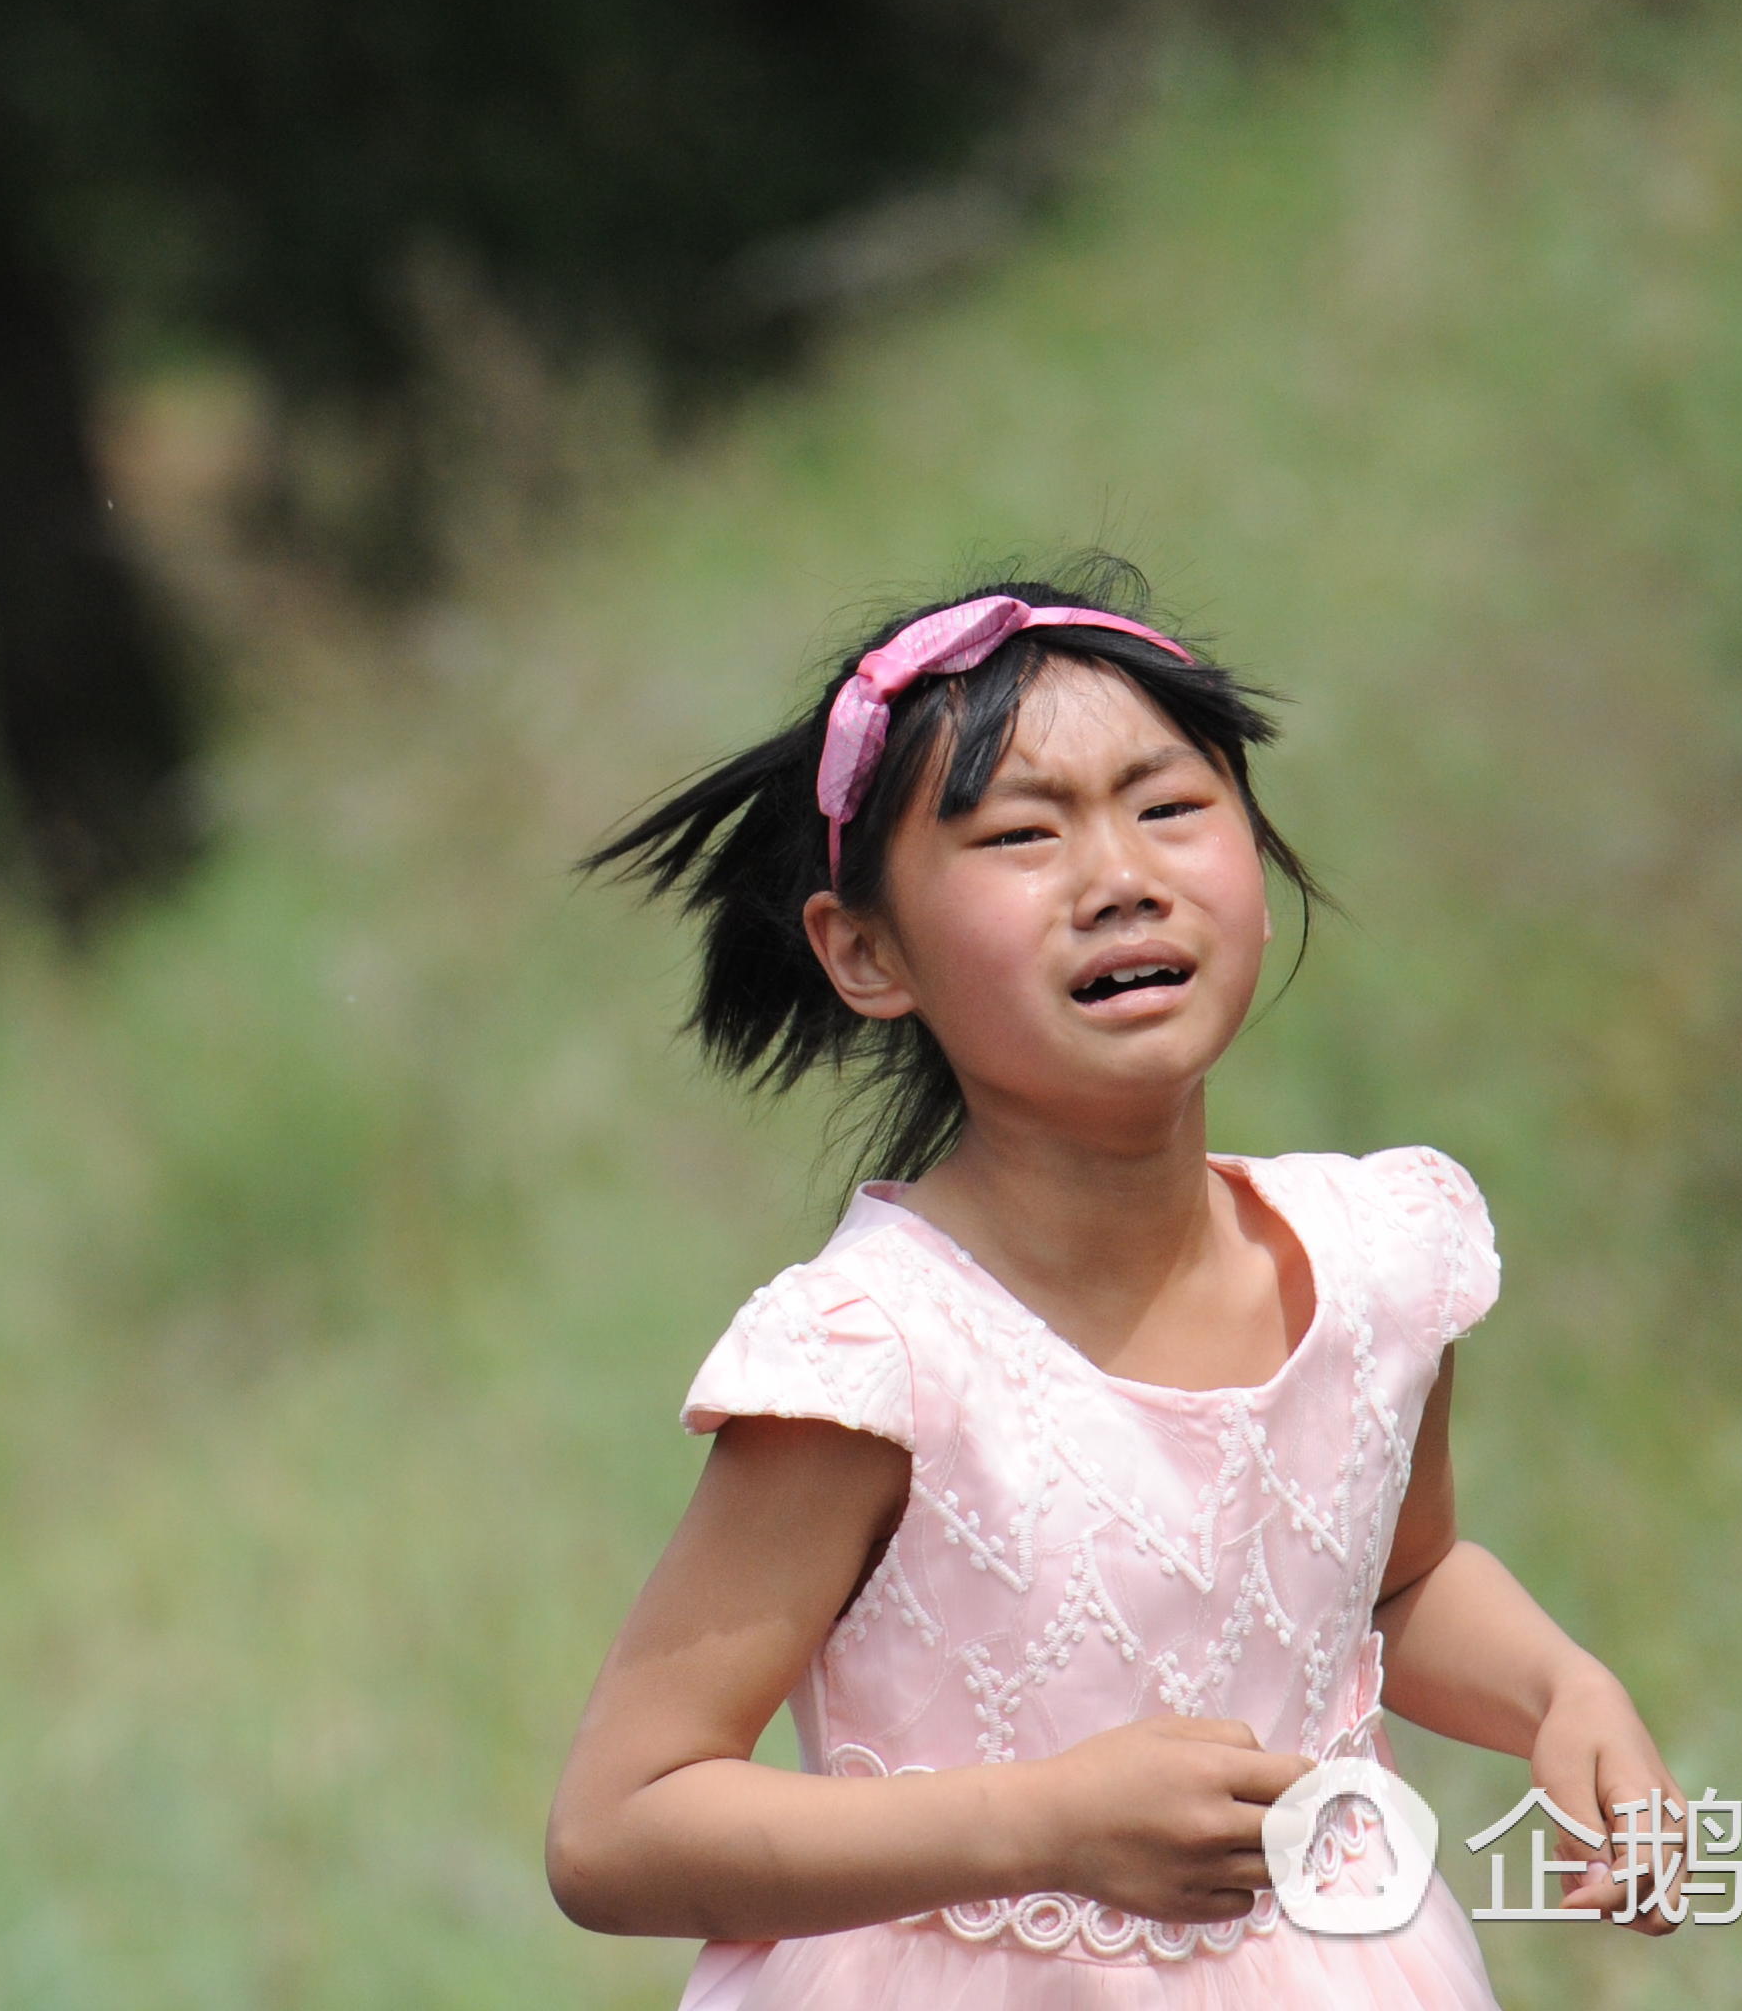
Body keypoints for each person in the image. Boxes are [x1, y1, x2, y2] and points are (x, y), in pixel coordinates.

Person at [546, 563, 1682, 2006]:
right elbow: (616, 1828)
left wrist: (1559, 1693)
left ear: (1257, 866)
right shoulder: (878, 1357)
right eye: (1021, 835)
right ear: (866, 951)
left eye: (1168, 808)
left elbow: (1392, 1584)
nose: (1119, 878)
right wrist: (1042, 1829)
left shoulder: (1378, 1264)